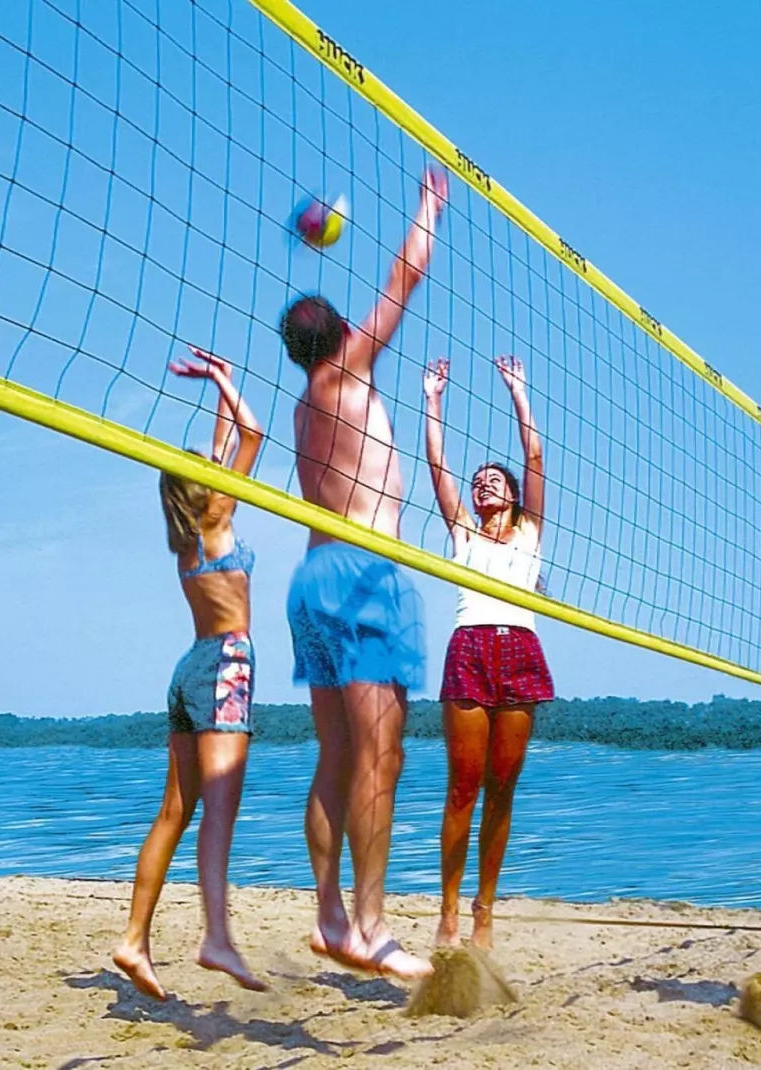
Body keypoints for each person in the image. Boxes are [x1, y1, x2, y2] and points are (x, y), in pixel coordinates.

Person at [281, 166, 449, 981]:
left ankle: (326, 917)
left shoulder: (302, 402)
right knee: (382, 760)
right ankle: (371, 929)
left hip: (311, 580)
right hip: (362, 577)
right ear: (343, 335)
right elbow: (404, 275)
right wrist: (428, 205)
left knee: (337, 757)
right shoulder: (347, 373)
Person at [112, 346, 267, 1000]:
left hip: (188, 667)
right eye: (207, 466)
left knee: (175, 810)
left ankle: (134, 940)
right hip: (227, 661)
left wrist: (212, 397)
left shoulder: (186, 534)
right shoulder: (218, 516)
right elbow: (252, 433)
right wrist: (225, 380)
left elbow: (225, 438)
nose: (216, 461)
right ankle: (216, 937)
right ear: (200, 487)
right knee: (219, 813)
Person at [422, 353, 553, 950]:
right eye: (479, 482)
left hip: (520, 650)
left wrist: (518, 393)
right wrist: (433, 402)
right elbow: (437, 466)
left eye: (493, 479)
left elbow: (534, 457)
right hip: (470, 648)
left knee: (503, 788)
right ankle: (447, 910)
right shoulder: (464, 533)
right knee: (463, 787)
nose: (483, 483)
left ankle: (483, 909)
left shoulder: (529, 532)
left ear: (514, 494)